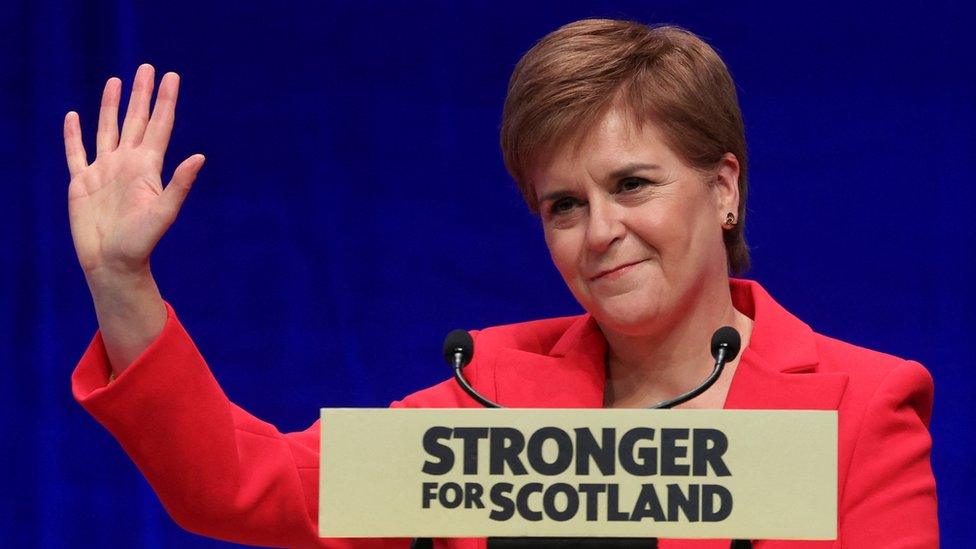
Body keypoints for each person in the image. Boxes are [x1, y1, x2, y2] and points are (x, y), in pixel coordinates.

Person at [64, 19, 938, 548]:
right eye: (564, 204)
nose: (600, 231)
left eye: (632, 184)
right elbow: (239, 483)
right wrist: (121, 282)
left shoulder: (857, 410)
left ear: (724, 187)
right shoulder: (487, 402)